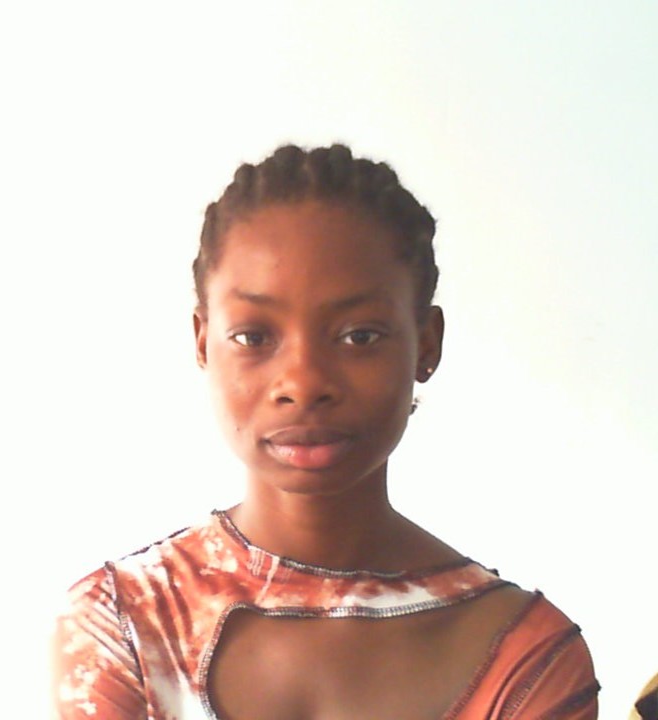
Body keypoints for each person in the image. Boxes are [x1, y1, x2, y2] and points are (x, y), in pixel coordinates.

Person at [52, 144, 600, 719]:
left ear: (427, 344)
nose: (304, 382)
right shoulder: (124, 623)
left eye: (359, 335)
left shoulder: (528, 657)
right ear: (202, 341)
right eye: (254, 337)